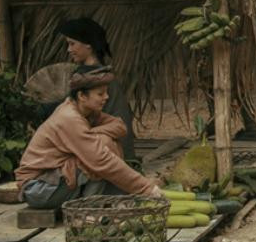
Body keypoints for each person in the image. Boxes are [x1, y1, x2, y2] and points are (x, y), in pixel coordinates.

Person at [15, 66, 163, 209]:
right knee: (101, 151)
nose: (106, 97)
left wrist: (92, 134)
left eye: (106, 93)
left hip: (55, 182)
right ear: (81, 96)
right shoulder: (69, 117)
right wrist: (146, 188)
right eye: (100, 94)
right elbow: (101, 161)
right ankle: (87, 210)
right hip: (38, 188)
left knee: (101, 143)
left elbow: (119, 126)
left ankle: (102, 202)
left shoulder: (86, 111)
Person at [55, 18, 139, 161]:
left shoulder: (92, 78)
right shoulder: (99, 73)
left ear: (88, 45)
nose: (69, 49)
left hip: (112, 150)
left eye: (72, 44)